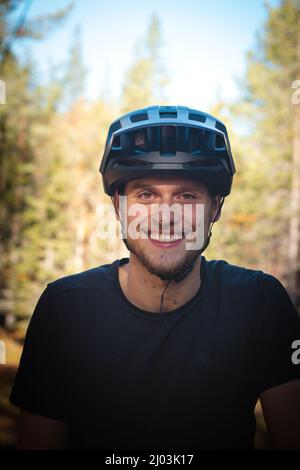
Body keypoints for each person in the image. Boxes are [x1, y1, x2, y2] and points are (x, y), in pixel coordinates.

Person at [10, 105, 300, 449]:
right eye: (146, 195)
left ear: (215, 208)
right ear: (119, 206)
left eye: (187, 195)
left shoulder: (258, 302)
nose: (166, 216)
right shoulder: (66, 307)